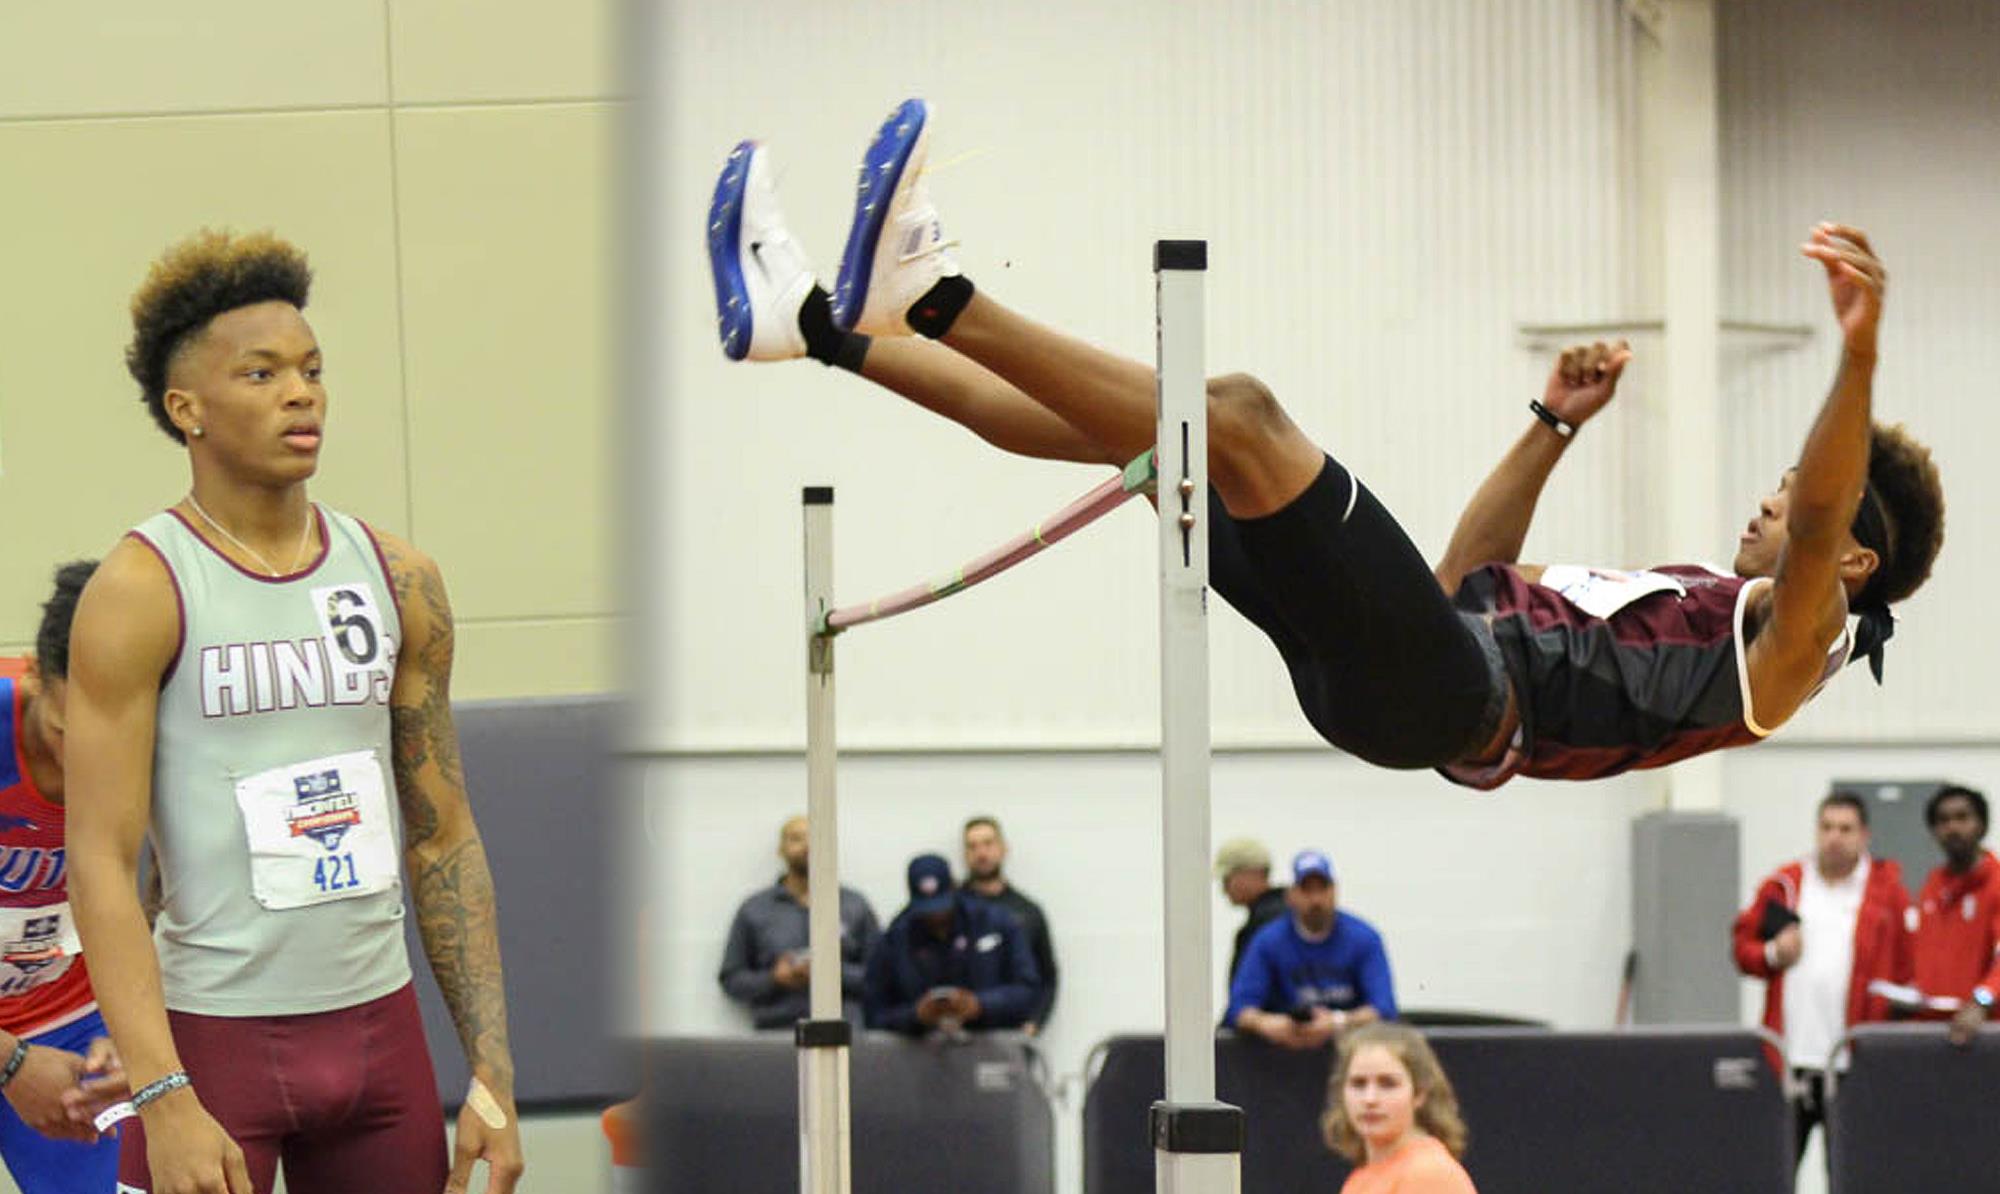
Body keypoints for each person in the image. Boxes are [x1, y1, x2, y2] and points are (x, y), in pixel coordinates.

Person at [706, 99, 1944, 789]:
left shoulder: (1787, 657)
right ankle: (813, 329)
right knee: (1149, 453)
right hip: (1425, 669)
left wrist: (1857, 356)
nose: (1766, 509)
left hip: (1448, 705)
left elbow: (1831, 511)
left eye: (1787, 506)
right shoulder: (1695, 597)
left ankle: (935, 298)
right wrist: (1548, 428)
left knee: (1235, 414)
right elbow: (1465, 579)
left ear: (1847, 566)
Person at [65, 230, 525, 1194]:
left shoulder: (399, 579)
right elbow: (102, 862)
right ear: (185, 408)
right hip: (212, 1044)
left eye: (312, 370)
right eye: (262, 372)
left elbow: (443, 840)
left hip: (379, 1040)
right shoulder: (143, 587)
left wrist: (492, 1071)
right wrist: (163, 1094)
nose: (301, 392)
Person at [0, 562, 133, 1194]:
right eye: (63, 732)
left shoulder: (167, 736)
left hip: (68, 1013)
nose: (87, 757)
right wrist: (10, 1062)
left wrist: (129, 1029)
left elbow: (173, 899)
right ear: (34, 677)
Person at [1730, 790, 1910, 1166]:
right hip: (1788, 1060)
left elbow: (1906, 970)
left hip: (1852, 1062)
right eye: (1827, 827)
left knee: (1852, 1172)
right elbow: (1742, 950)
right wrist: (1773, 953)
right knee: (1773, 1169)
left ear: (1865, 835)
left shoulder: (1887, 893)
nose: (1835, 837)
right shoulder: (1786, 886)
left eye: (1846, 828)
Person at [718, 814, 881, 1028]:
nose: (807, 846)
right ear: (781, 849)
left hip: (844, 1035)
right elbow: (731, 979)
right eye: (796, 838)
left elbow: (881, 978)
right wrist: (773, 979)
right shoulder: (754, 909)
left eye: (815, 839)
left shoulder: (855, 906)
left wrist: (832, 972)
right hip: (777, 1035)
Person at [1226, 851, 1395, 1050]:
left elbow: (1384, 1008)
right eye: (1306, 890)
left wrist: (1340, 1022)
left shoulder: (1364, 938)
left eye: (1322, 889)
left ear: (1334, 891)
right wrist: (1266, 1023)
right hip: (1283, 1057)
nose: (1316, 900)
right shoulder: (1268, 941)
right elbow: (1239, 1009)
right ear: (1291, 895)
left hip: (1351, 1053)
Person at [863, 854, 1039, 1036]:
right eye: (928, 909)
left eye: (941, 906)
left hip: (990, 1048)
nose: (936, 916)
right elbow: (874, 1014)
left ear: (954, 887)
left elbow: (1028, 991)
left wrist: (979, 1004)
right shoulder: (896, 938)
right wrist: (915, 1015)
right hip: (918, 1056)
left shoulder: (994, 922)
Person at [1321, 1023, 1476, 1194]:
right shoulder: (1361, 1178)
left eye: (1388, 1084)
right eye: (1358, 1084)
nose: (1370, 1099)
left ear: (1419, 1093)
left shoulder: (1429, 1173)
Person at [1909, 785, 2000, 1046]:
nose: (1953, 827)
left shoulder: (1996, 883)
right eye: (1944, 820)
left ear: (1981, 826)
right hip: (1932, 1032)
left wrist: (1982, 1001)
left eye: (1962, 818)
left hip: (1984, 1033)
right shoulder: (1932, 886)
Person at [960, 816, 1057, 1034]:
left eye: (988, 843)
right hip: (960, 1038)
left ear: (1003, 848)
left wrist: (1035, 1021)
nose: (981, 853)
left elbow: (1047, 976)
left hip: (1011, 1034)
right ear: (965, 855)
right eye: (972, 846)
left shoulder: (1027, 912)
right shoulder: (949, 911)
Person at [1215, 837, 1287, 985]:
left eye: (1227, 879)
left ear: (1252, 873)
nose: (1224, 889)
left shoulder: (1262, 924)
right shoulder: (1290, 913)